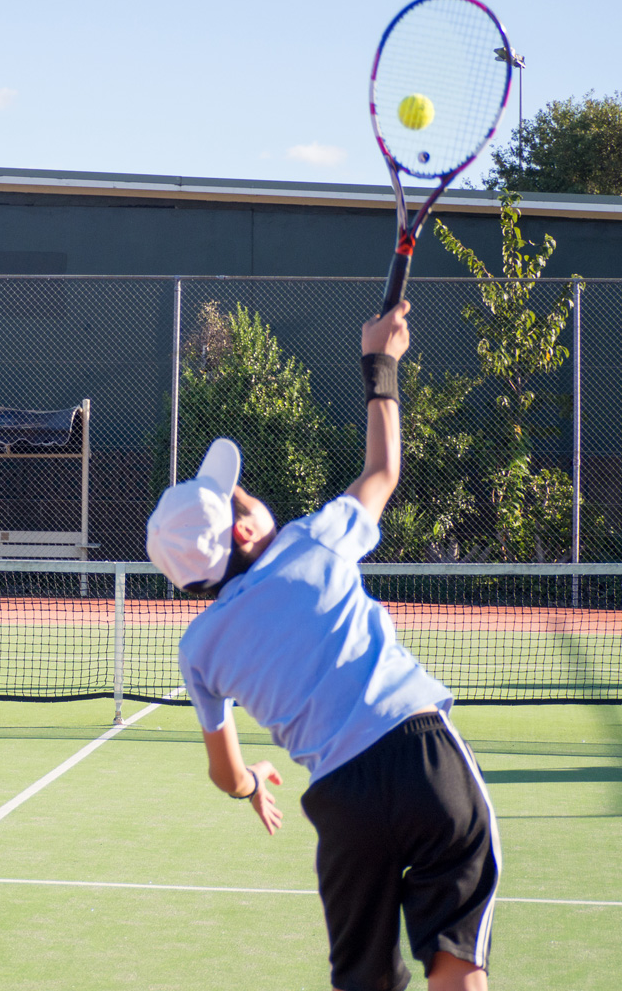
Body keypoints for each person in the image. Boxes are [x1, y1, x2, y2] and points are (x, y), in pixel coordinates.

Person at [145, 301, 500, 991]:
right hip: (422, 753)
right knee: (456, 960)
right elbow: (383, 470)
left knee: (363, 980)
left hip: (343, 802)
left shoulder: (199, 649)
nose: (248, 496)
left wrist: (250, 784)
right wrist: (382, 365)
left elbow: (226, 775)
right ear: (244, 534)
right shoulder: (315, 539)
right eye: (240, 497)